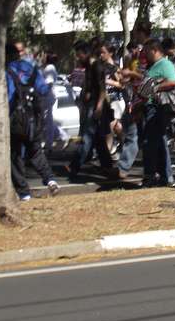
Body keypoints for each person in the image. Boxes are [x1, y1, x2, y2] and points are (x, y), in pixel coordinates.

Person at [6, 43, 59, 201]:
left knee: (15, 156)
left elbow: (8, 97)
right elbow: (43, 90)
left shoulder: (7, 71)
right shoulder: (31, 68)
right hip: (33, 118)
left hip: (15, 119)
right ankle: (50, 179)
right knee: (35, 150)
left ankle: (24, 193)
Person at [67, 41, 111, 177]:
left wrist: (98, 106)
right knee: (98, 138)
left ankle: (74, 166)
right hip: (90, 104)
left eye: (79, 55)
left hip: (95, 105)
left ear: (86, 54)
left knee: (87, 136)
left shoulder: (96, 66)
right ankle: (107, 166)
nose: (78, 58)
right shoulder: (89, 66)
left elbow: (102, 89)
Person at [139, 39, 175, 187]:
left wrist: (155, 88)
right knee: (158, 143)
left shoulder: (165, 64)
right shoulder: (153, 66)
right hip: (150, 108)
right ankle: (165, 177)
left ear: (154, 50)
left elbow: (173, 81)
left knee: (151, 144)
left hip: (157, 109)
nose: (145, 54)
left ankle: (152, 176)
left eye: (147, 51)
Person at [100, 43, 126, 156]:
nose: (101, 55)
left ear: (110, 53)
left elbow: (122, 85)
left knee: (109, 128)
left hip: (116, 101)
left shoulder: (114, 68)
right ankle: (126, 145)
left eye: (103, 52)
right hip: (107, 101)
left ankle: (106, 155)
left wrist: (108, 81)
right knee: (117, 127)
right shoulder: (101, 66)